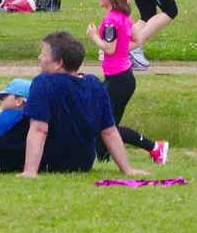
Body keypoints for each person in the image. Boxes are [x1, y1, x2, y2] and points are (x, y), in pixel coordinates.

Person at [20, 31, 148, 177]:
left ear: (59, 64)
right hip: (83, 163)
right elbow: (109, 131)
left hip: (51, 161)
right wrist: (128, 169)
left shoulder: (43, 82)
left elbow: (39, 130)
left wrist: (30, 171)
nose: (40, 58)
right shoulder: (95, 84)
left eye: (43, 55)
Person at [85, 0, 169, 164]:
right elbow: (137, 41)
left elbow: (109, 49)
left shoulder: (110, 20)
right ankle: (103, 159)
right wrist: (115, 50)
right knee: (104, 124)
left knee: (108, 127)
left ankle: (155, 147)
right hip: (122, 78)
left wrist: (94, 37)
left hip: (118, 80)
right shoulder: (124, 17)